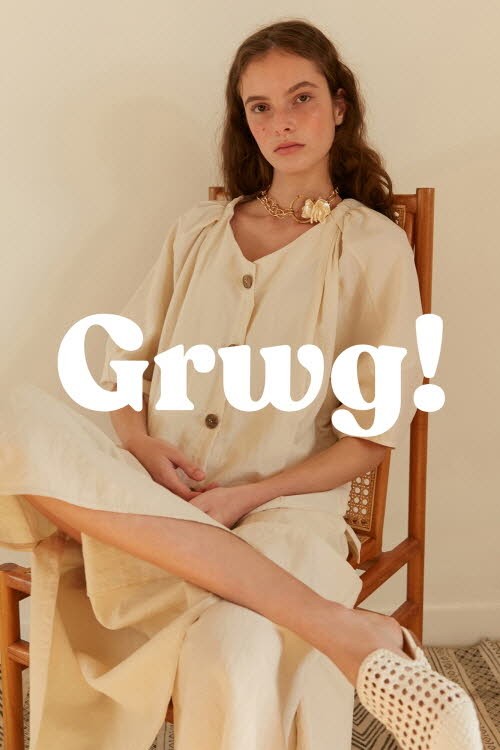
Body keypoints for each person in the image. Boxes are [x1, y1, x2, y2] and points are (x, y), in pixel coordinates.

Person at [0, 18, 481, 750]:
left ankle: (315, 621)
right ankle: (346, 631)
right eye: (261, 106)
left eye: (301, 98)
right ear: (244, 120)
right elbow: (123, 365)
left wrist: (246, 496)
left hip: (284, 520)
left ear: (339, 106)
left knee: (234, 653)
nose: (281, 121)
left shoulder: (374, 247)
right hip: (149, 502)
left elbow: (370, 440)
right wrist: (139, 444)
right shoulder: (197, 231)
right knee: (11, 414)